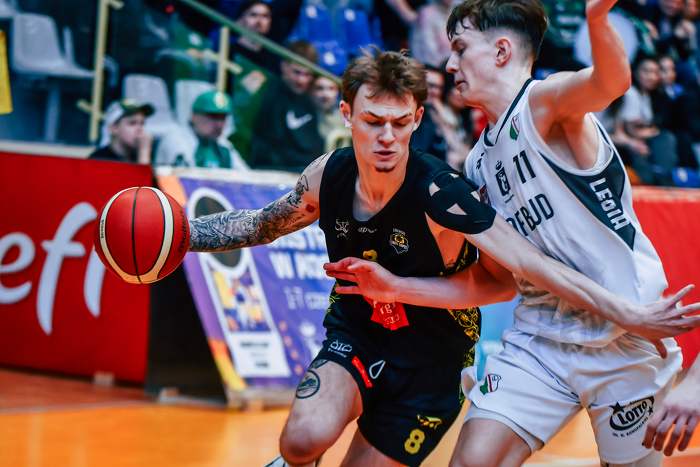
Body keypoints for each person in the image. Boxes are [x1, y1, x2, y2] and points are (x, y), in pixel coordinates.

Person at [184, 49, 700, 467]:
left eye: (399, 123)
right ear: (347, 114)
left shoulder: (444, 192)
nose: (386, 137)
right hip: (359, 333)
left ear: (417, 119)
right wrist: (181, 235)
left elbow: (516, 273)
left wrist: (626, 312)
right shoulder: (327, 175)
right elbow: (260, 224)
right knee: (301, 442)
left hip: (433, 358)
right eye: (373, 121)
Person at [325, 1, 700, 466]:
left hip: (625, 331)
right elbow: (496, 281)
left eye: (461, 49)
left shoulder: (544, 103)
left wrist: (597, 20)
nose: (449, 64)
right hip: (539, 339)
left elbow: (610, 83)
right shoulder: (477, 163)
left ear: (502, 51)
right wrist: (395, 287)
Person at [248, 41, 325, 172]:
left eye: (307, 74)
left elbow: (313, 144)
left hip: (302, 173)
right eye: (297, 72)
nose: (302, 80)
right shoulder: (268, 95)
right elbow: (273, 147)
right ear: (284, 66)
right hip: (273, 172)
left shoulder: (307, 101)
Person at [154, 90, 248, 170]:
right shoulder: (175, 139)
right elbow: (185, 180)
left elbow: (246, 176)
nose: (219, 124)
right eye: (213, 116)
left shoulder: (223, 145)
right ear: (194, 116)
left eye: (222, 117)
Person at [89, 99, 154, 164]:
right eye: (132, 123)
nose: (140, 129)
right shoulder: (98, 159)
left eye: (142, 124)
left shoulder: (138, 156)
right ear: (114, 128)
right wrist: (144, 151)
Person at [230, 0, 281, 73]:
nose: (260, 20)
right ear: (240, 21)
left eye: (265, 16)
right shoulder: (228, 50)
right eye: (253, 15)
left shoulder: (272, 60)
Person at [409, 0, 457, 67]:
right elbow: (428, 53)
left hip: (453, 65)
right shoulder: (426, 14)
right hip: (433, 67)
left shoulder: (455, 13)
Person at [310, 76, 345, 142]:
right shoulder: (304, 117)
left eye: (331, 89)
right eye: (320, 88)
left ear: (337, 92)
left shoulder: (347, 120)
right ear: (312, 91)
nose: (325, 94)